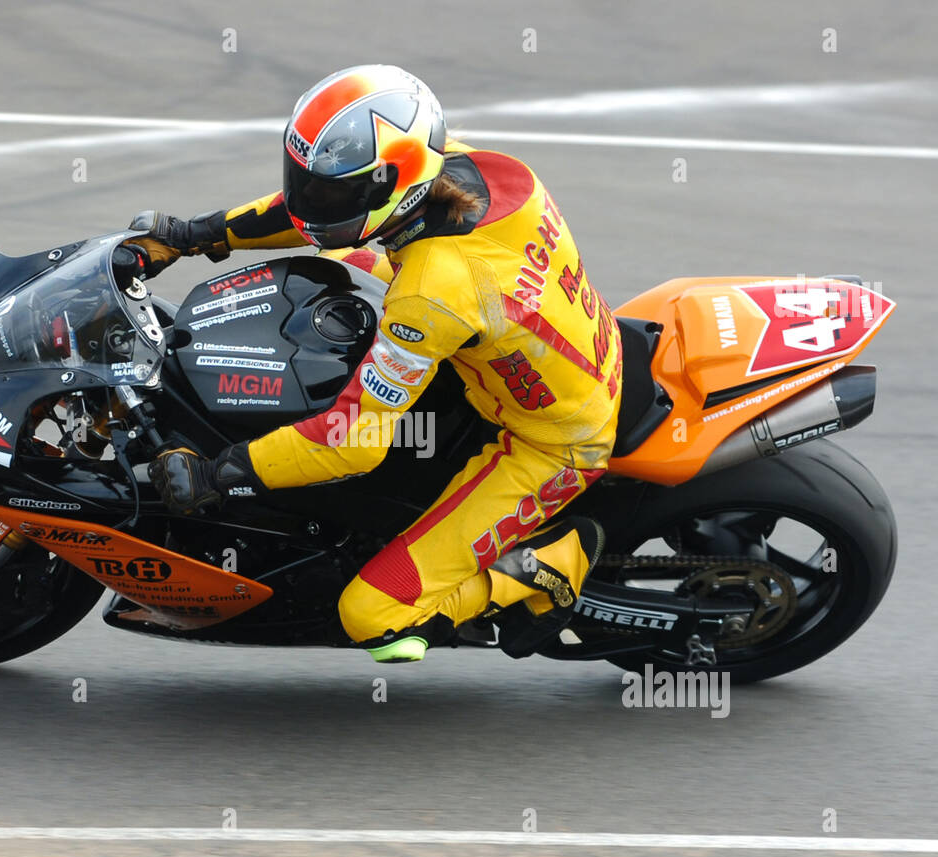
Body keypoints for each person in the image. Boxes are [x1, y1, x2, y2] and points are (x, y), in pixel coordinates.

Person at [128, 64, 622, 663]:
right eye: (307, 182)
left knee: (373, 614)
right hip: (528, 343)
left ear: (397, 181)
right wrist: (192, 235)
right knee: (357, 260)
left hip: (553, 442)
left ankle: (549, 566)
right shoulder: (472, 169)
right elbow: (314, 218)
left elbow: (352, 442)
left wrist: (217, 473)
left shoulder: (432, 292)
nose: (310, 203)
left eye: (331, 192)